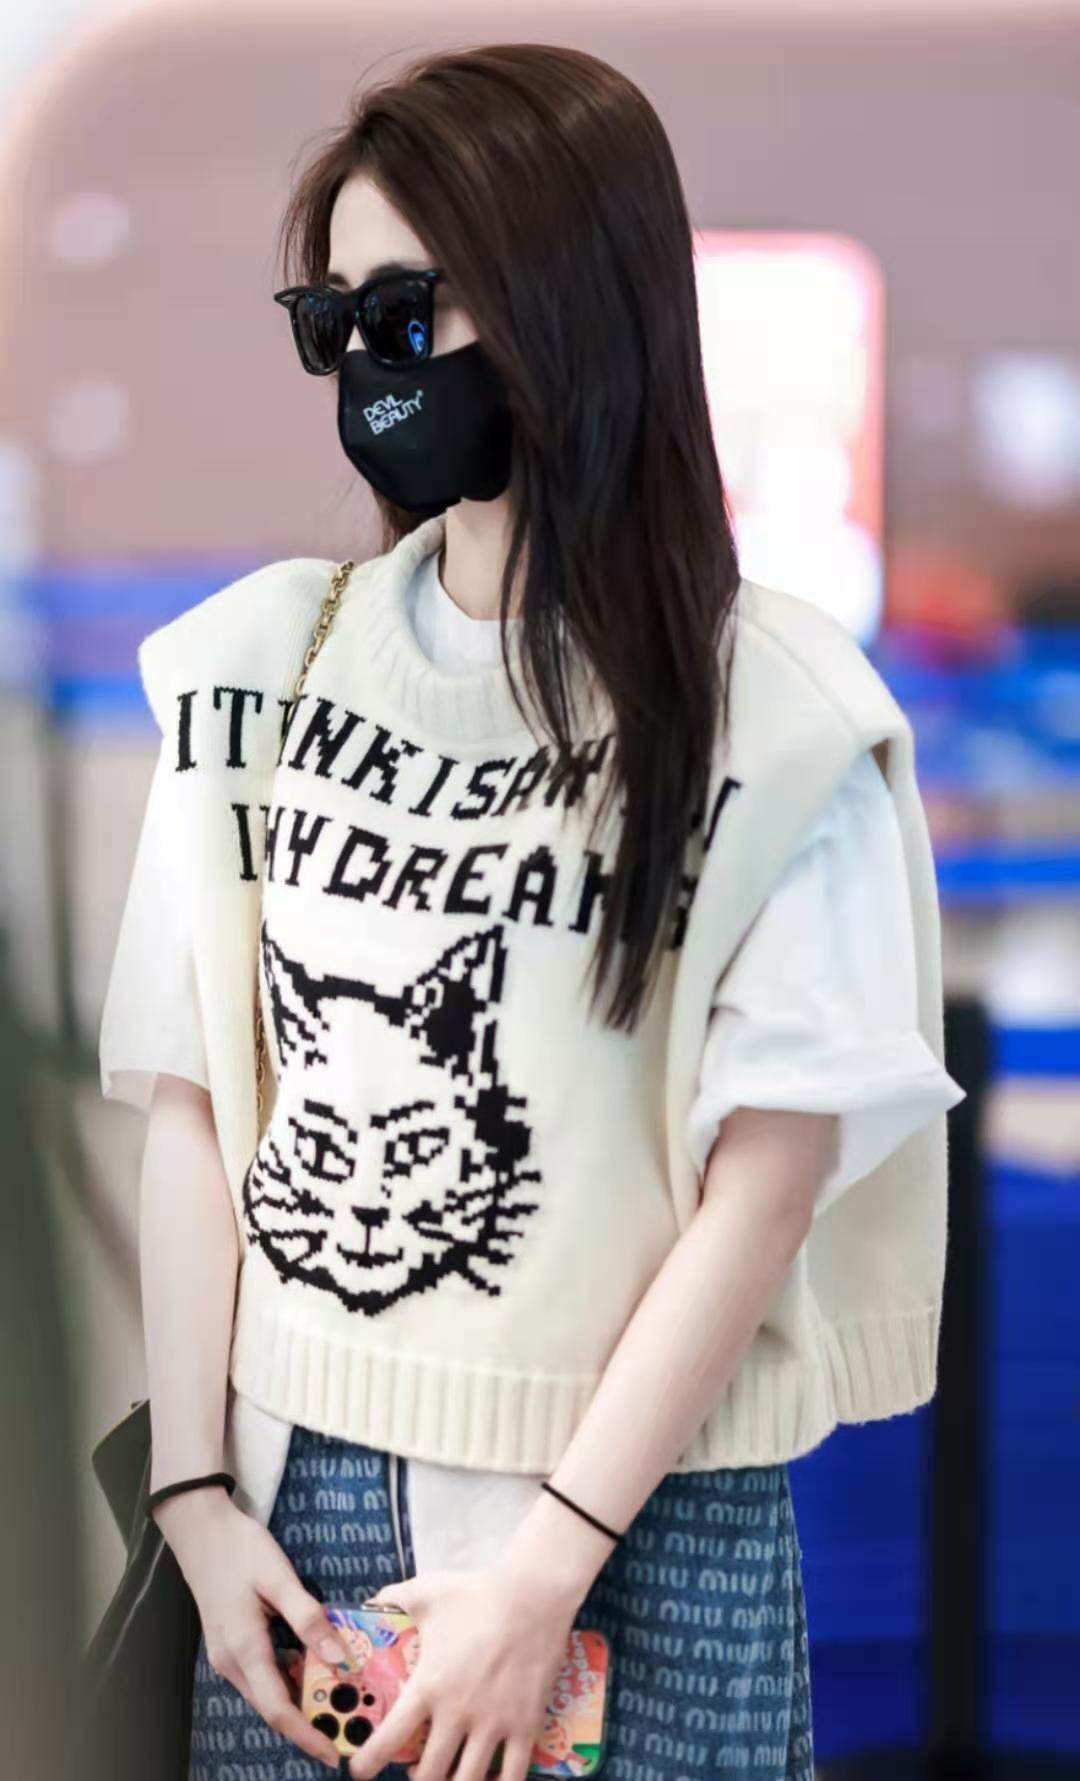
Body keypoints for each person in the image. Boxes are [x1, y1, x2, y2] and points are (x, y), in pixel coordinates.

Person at [97, 41, 966, 1781]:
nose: (371, 365)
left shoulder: (772, 716)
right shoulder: (258, 667)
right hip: (291, 1516)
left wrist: (546, 1566)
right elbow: (195, 1099)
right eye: (335, 323)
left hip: (641, 1522)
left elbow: (764, 1184)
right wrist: (193, 1495)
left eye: (409, 313)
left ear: (569, 304)